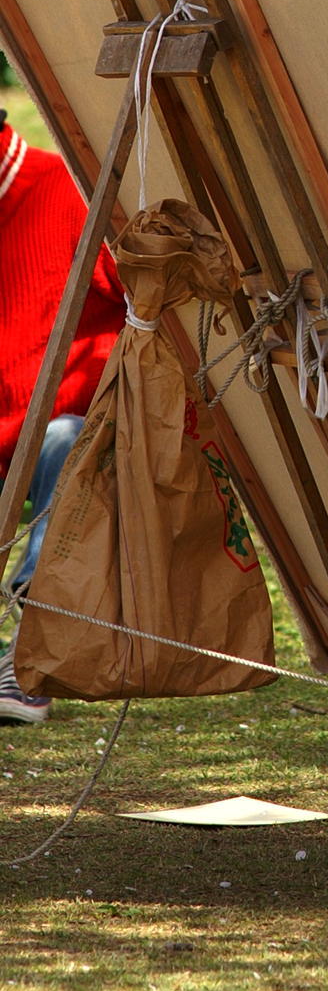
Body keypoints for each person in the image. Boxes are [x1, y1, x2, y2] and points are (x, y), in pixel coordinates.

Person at [0, 108, 125, 722]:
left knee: (62, 437)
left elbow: (148, 315)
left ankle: (32, 654)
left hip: (61, 429)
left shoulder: (66, 191)